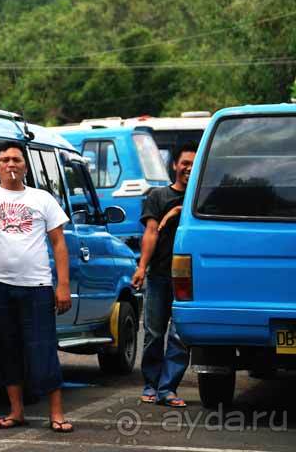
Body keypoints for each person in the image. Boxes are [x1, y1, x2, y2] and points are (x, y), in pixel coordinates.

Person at [0, 140, 74, 433]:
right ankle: (16, 411)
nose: (11, 164)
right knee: (7, 349)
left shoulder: (42, 199)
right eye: (4, 160)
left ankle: (56, 413)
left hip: (37, 286)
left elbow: (59, 244)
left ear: (25, 166)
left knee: (43, 349)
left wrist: (62, 285)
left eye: (16, 159)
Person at [131, 141, 198, 408]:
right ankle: (151, 384)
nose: (189, 169)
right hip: (159, 274)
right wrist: (141, 266)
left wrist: (178, 211)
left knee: (180, 335)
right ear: (174, 165)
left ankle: (168, 388)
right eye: (185, 164)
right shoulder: (157, 196)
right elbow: (150, 233)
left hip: (191, 279)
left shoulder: (199, 197)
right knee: (154, 332)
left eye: (194, 164)